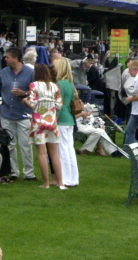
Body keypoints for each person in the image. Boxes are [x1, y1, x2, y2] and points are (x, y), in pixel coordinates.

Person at [0, 48, 35, 181]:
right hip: (6, 113)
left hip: (23, 113)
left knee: (25, 144)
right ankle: (13, 172)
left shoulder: (30, 72)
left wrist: (24, 93)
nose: (5, 59)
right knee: (9, 144)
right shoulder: (4, 72)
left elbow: (35, 91)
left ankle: (29, 173)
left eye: (7, 57)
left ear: (15, 58)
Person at [27, 63, 65, 189]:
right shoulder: (55, 86)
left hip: (38, 122)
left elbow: (32, 103)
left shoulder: (34, 85)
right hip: (52, 122)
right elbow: (59, 105)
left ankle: (46, 183)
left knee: (42, 153)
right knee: (54, 154)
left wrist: (24, 100)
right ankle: (60, 183)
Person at [53, 55, 79, 187]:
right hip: (69, 119)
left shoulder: (59, 84)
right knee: (69, 149)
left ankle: (65, 179)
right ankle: (73, 178)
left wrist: (54, 121)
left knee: (62, 150)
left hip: (62, 119)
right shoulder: (69, 83)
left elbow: (58, 105)